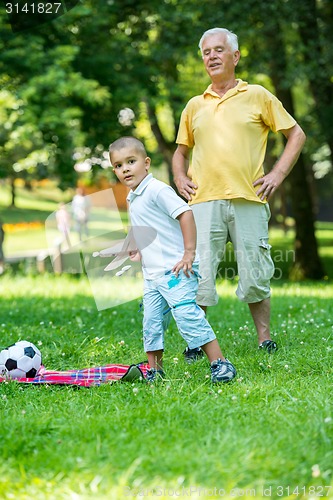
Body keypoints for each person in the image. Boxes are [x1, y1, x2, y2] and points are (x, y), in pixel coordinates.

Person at [172, 27, 306, 356]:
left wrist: (277, 173)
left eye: (219, 50)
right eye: (206, 52)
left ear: (235, 56)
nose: (212, 56)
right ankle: (195, 342)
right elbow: (180, 152)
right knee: (198, 275)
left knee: (256, 274)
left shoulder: (258, 95)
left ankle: (264, 338)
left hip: (250, 199)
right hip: (203, 201)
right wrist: (179, 177)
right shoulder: (194, 105)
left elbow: (297, 135)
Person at [109, 136, 237, 383]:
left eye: (131, 161)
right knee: (151, 321)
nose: (125, 169)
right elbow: (141, 227)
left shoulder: (157, 189)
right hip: (153, 275)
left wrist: (189, 253)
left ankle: (220, 363)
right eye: (118, 165)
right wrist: (134, 247)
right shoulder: (132, 196)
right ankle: (155, 370)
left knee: (187, 315)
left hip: (177, 270)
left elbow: (185, 213)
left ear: (146, 163)